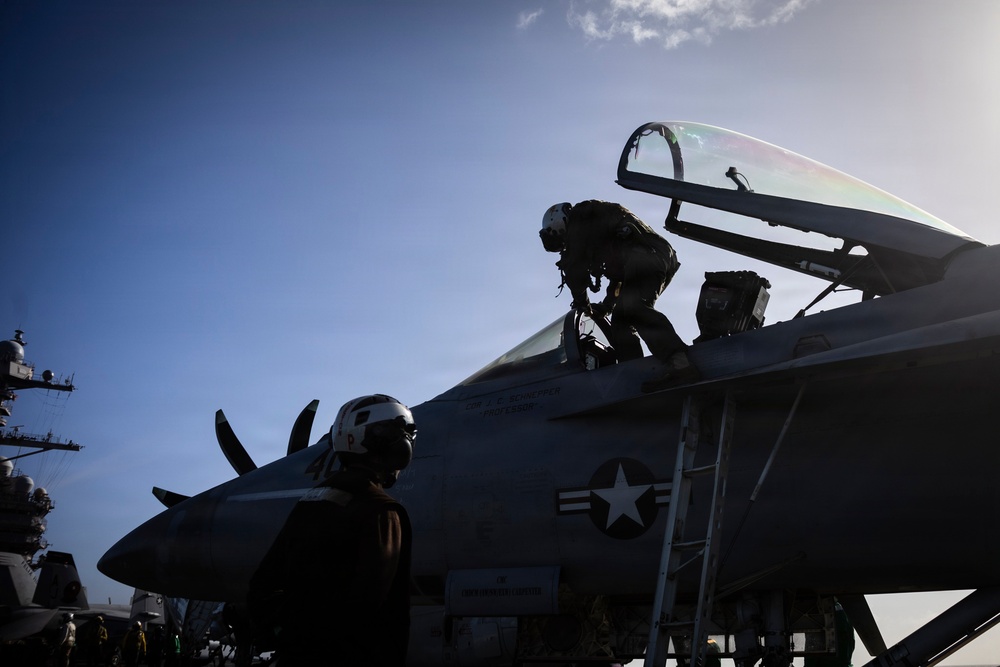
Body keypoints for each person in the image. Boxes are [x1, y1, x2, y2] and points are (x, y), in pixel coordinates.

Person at [248, 394, 417, 667]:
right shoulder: (381, 510)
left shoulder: (313, 499)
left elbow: (262, 585)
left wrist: (288, 636)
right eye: (403, 434)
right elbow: (372, 607)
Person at [540, 200, 699, 390]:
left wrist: (582, 302)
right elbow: (621, 276)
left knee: (635, 308)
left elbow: (575, 268)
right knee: (621, 321)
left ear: (558, 224)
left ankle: (681, 365)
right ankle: (632, 375)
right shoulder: (596, 225)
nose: (567, 246)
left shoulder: (580, 220)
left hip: (648, 254)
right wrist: (607, 306)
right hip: (656, 256)